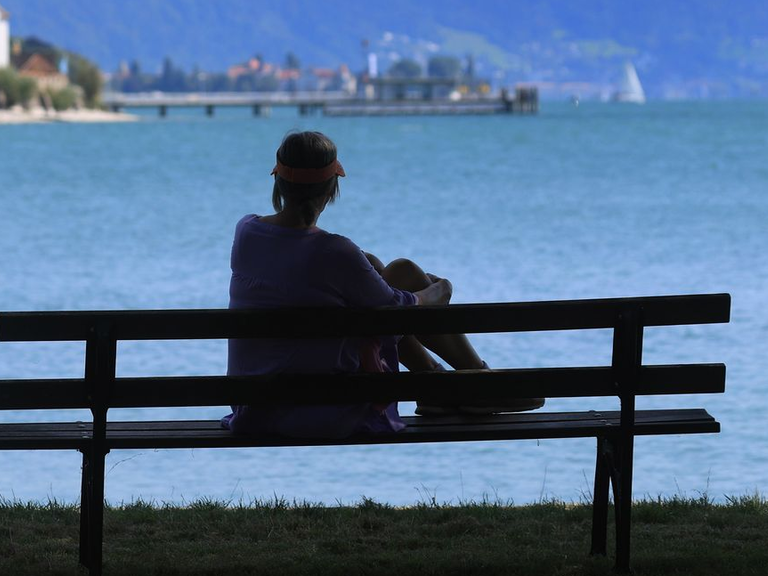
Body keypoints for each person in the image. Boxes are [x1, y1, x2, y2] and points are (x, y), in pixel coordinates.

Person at [224, 129, 543, 439]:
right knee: (401, 274)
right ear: (332, 187)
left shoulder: (247, 231)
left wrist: (370, 268)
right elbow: (396, 311)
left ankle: (436, 385)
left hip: (255, 407)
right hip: (319, 408)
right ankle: (479, 382)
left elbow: (299, 266)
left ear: (278, 181)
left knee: (379, 272)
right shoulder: (335, 251)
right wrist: (439, 289)